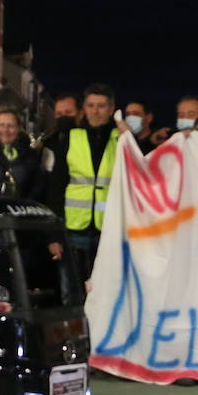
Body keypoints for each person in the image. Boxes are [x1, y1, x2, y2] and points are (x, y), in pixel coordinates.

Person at [45, 83, 121, 280]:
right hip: (74, 229)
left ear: (111, 109)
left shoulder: (121, 140)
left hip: (109, 229)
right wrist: (54, 235)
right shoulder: (71, 138)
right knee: (74, 292)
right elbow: (56, 189)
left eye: (101, 106)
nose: (96, 111)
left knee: (106, 290)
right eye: (91, 105)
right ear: (84, 108)